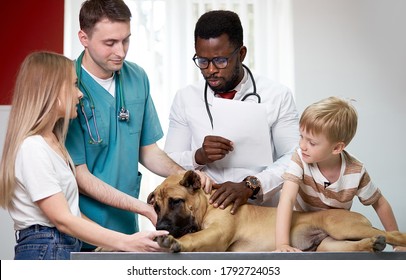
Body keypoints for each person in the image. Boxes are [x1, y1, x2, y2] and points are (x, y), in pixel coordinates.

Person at [65, 0, 211, 251]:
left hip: (127, 229)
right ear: (84, 38)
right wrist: (143, 207)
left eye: (126, 40)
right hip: (85, 228)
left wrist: (185, 176)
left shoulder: (137, 78)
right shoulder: (67, 85)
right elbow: (79, 174)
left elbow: (148, 150)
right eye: (110, 43)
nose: (121, 52)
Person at [0, 51, 170, 259]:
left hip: (63, 244)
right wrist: (126, 242)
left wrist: (126, 242)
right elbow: (63, 220)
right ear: (51, 92)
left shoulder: (54, 145)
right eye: (73, 85)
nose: (80, 93)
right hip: (46, 247)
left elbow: (73, 215)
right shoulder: (32, 148)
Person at [164, 10, 300, 214]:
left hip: (259, 216)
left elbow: (294, 157)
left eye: (220, 60)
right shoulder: (185, 98)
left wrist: (251, 185)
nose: (210, 70)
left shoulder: (277, 95)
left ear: (242, 54)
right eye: (202, 61)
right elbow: (168, 161)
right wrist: (198, 156)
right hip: (206, 216)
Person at [274, 96, 404, 252]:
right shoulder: (300, 159)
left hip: (335, 231)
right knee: (320, 250)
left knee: (327, 249)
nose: (302, 145)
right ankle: (363, 246)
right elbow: (287, 199)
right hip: (305, 228)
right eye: (301, 136)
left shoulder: (355, 171)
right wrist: (282, 244)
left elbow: (380, 203)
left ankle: (368, 245)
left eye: (312, 142)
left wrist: (398, 245)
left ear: (336, 148)